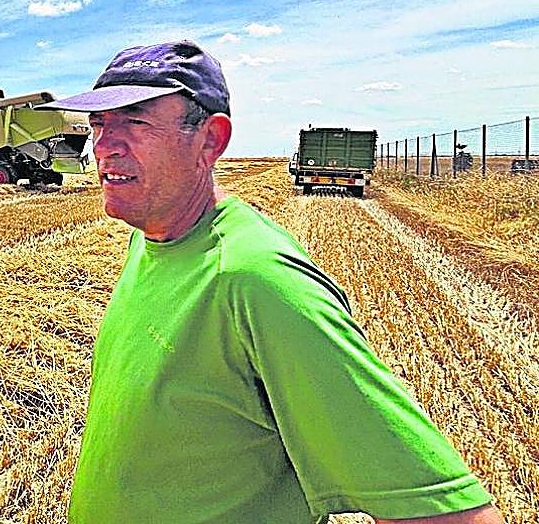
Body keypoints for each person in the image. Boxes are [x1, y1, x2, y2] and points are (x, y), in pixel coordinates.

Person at [38, 41, 502, 524]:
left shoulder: (257, 279)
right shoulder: (150, 242)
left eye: (135, 121)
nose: (105, 145)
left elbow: (446, 515)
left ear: (211, 141)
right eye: (99, 124)